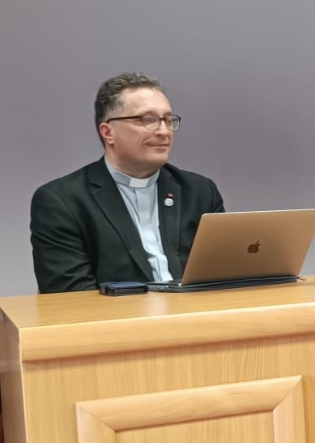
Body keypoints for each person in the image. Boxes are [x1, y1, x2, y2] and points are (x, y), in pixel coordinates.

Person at [30, 73, 225, 293]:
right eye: (148, 120)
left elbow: (224, 276)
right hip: (119, 315)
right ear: (108, 132)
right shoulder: (62, 201)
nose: (163, 131)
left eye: (168, 120)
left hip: (197, 313)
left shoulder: (200, 191)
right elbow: (72, 296)